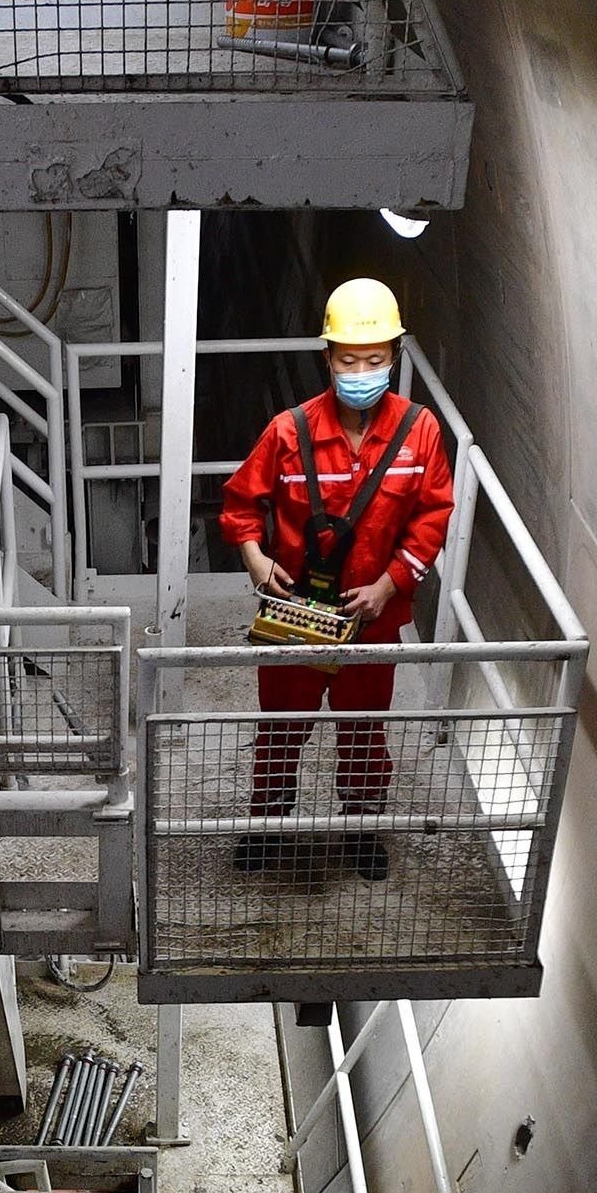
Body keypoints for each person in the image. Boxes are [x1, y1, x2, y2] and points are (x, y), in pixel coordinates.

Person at [215, 277, 456, 882]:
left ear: (394, 357)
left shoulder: (419, 432)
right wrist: (254, 558)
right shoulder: (288, 431)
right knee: (279, 730)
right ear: (328, 358)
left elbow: (433, 515)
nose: (362, 371)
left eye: (375, 360)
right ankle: (268, 825)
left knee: (365, 731)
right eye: (349, 360)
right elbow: (241, 505)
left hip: (374, 620)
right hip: (296, 614)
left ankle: (361, 826)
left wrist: (390, 584)